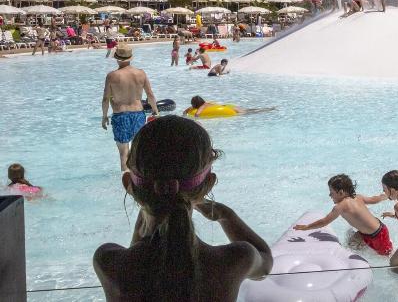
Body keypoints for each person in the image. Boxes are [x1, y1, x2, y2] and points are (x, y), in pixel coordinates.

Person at [93, 116, 273, 301]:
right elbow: (265, 263)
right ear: (209, 184)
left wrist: (152, 206)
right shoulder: (235, 261)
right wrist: (226, 215)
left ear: (128, 185)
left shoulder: (109, 262)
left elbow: (140, 258)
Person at [293, 174, 391, 256]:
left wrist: (307, 227)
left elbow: (324, 221)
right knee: (350, 246)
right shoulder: (358, 197)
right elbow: (374, 199)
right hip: (369, 232)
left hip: (378, 235)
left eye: (331, 192)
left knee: (386, 257)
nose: (329, 195)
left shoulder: (340, 207)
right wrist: (385, 196)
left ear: (341, 192)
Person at [102, 44, 159, 171]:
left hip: (120, 115)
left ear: (117, 58)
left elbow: (105, 99)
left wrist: (104, 116)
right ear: (130, 57)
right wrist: (155, 110)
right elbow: (150, 95)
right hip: (138, 114)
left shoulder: (112, 76)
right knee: (138, 150)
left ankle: (125, 179)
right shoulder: (141, 73)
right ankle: (139, 177)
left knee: (124, 153)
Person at [182, 95, 274, 118]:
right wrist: (187, 111)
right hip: (229, 107)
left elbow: (197, 114)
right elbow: (186, 110)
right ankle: (269, 108)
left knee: (251, 113)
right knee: (250, 110)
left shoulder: (202, 106)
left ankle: (268, 110)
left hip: (229, 110)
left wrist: (190, 117)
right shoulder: (206, 103)